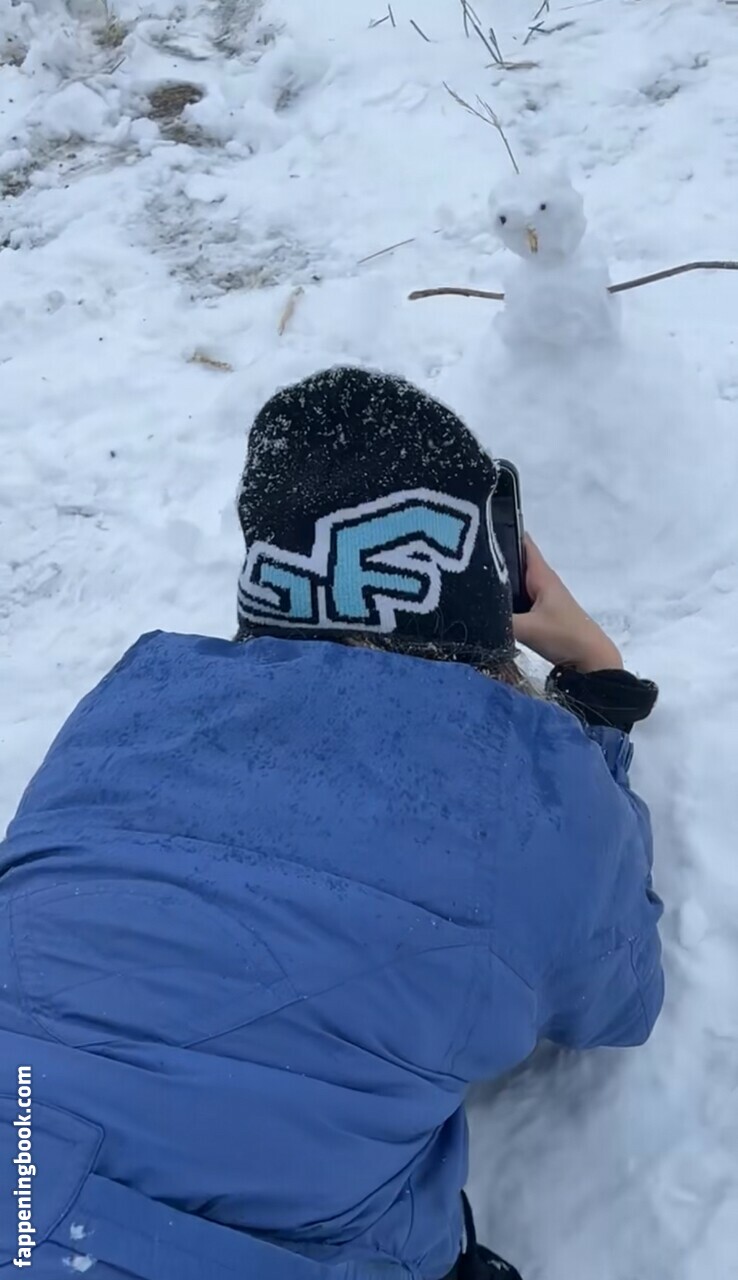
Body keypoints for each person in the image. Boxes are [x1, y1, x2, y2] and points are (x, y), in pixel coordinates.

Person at [0, 367, 663, 1280]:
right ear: (485, 573)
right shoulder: (525, 793)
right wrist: (597, 692)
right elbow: (619, 996)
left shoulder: (128, 705)